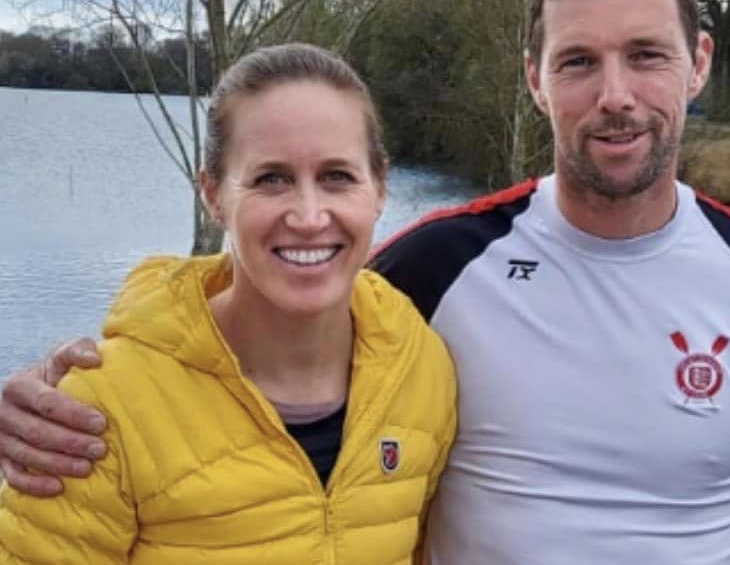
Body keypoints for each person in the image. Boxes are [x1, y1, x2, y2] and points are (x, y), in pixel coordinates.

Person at [2, 0, 730, 564]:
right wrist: (54, 388)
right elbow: (268, 296)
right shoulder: (435, 267)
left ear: (697, 64)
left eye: (645, 55)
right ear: (534, 79)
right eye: (577, 61)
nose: (614, 95)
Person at [0, 44, 457, 563]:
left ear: (378, 188)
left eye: (337, 176)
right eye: (271, 179)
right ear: (213, 195)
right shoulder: (98, 409)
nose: (309, 216)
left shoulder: (422, 369)